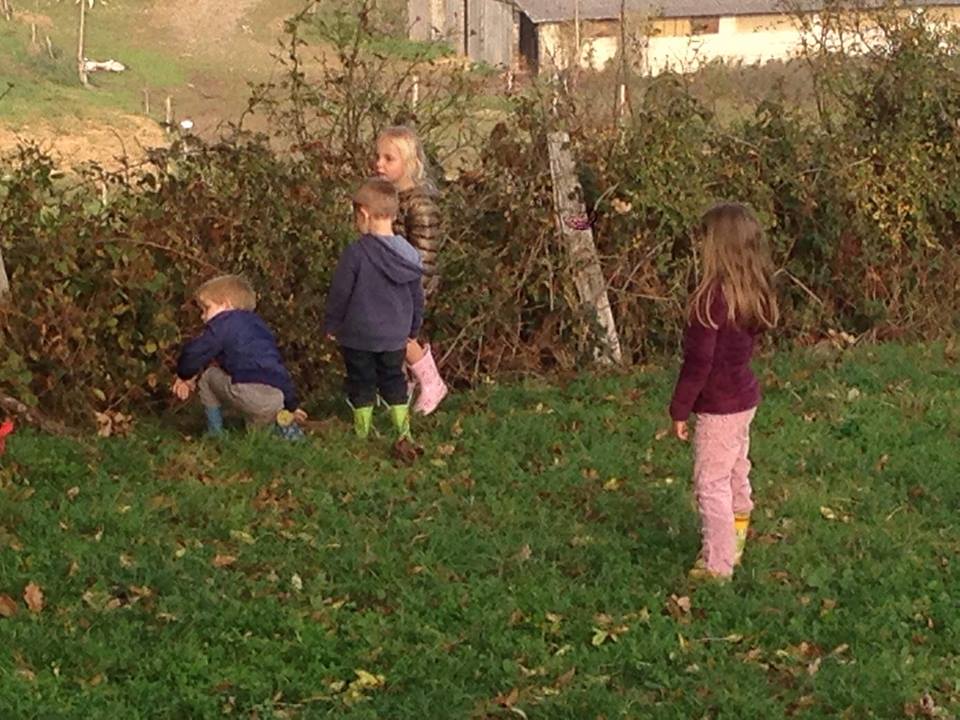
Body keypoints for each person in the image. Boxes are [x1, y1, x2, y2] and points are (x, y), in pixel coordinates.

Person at [668, 203, 779, 581]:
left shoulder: (709, 301)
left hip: (719, 408)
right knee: (735, 469)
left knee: (711, 483)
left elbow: (698, 363)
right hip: (744, 400)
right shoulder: (750, 293)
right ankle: (737, 536)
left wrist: (680, 409)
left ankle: (718, 564)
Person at [324, 177, 424, 458]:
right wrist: (413, 328)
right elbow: (417, 297)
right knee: (394, 380)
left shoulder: (356, 253)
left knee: (361, 381)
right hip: (395, 336)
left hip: (358, 335)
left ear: (364, 214)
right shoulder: (409, 255)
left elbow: (340, 292)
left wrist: (332, 323)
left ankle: (362, 432)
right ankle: (403, 431)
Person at [172, 274, 305, 439]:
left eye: (207, 308)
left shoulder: (224, 322)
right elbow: (279, 371)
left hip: (248, 395)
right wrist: (292, 405)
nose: (203, 316)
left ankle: (215, 432)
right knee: (258, 433)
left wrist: (184, 375)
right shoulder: (261, 329)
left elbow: (195, 352)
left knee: (208, 377)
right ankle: (285, 428)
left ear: (226, 305)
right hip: (275, 399)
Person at [374, 125, 448, 415]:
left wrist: (415, 291)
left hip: (413, 285)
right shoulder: (390, 201)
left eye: (388, 158)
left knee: (402, 337)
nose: (379, 164)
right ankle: (400, 389)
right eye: (378, 157)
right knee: (387, 339)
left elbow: (425, 256)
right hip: (391, 284)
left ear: (408, 162)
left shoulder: (421, 206)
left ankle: (432, 383)